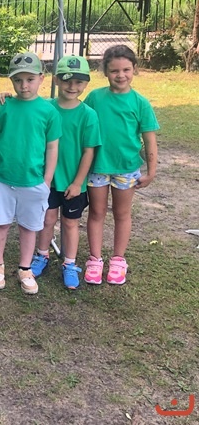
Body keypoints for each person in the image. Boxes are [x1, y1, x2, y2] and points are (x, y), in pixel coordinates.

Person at [84, 45, 159, 285]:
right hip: (97, 167)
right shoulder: (95, 98)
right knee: (96, 213)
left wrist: (151, 172)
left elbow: (149, 140)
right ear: (105, 71)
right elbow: (79, 121)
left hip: (126, 169)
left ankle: (118, 260)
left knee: (122, 213)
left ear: (134, 69)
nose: (120, 75)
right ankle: (95, 259)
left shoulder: (140, 103)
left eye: (126, 69)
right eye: (114, 70)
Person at [0, 52, 61, 295]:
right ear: (11, 81)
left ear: (41, 78)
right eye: (18, 80)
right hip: (3, 179)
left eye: (30, 79)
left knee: (29, 227)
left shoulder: (48, 111)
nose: (24, 85)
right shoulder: (4, 106)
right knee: (0, 224)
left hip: (34, 180)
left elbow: (52, 147)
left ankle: (25, 268)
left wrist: (47, 179)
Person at [30, 56, 101, 290]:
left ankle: (70, 263)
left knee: (70, 223)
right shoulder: (45, 107)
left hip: (73, 182)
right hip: (48, 180)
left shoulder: (88, 115)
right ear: (56, 80)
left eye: (79, 82)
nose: (72, 86)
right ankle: (42, 255)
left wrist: (78, 182)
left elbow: (89, 151)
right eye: (67, 80)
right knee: (47, 219)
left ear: (86, 83)